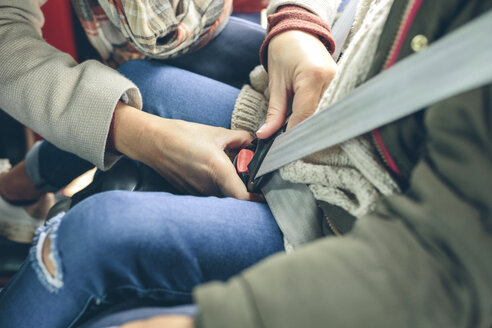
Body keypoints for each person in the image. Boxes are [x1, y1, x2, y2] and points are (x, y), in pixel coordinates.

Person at [1, 0, 492, 327]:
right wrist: (296, 26)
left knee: (88, 234)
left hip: (347, 218)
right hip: (326, 129)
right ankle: (20, 188)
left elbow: (448, 259)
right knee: (139, 82)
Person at [0, 0, 268, 243]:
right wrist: (148, 139)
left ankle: (18, 189)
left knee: (141, 82)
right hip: (146, 43)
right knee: (139, 84)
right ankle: (20, 188)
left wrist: (294, 27)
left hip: (216, 19)